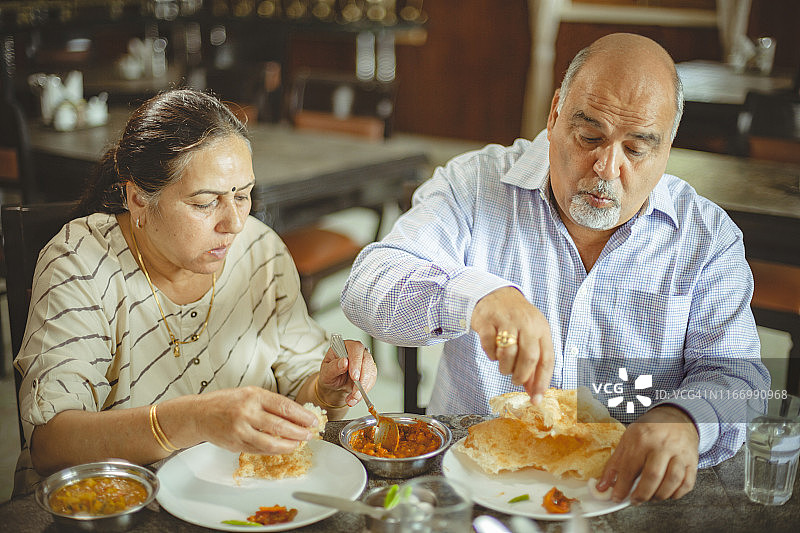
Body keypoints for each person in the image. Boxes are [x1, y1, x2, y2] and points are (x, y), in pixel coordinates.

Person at [342, 33, 770, 504]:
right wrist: (476, 298)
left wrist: (686, 420)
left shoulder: (704, 237)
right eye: (590, 137)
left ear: (668, 147)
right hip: (473, 488)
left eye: (637, 150)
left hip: (625, 493)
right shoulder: (474, 184)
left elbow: (739, 376)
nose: (606, 167)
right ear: (554, 114)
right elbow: (369, 284)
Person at [13, 88, 376, 494]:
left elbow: (298, 382)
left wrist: (325, 387)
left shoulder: (258, 249)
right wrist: (195, 419)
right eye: (206, 203)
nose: (234, 222)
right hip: (119, 502)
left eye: (242, 195)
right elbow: (51, 443)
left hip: (245, 497)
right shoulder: (82, 261)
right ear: (137, 199)